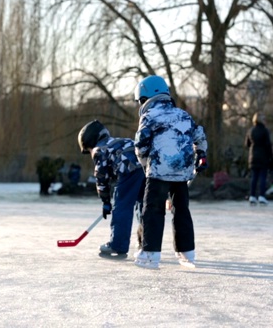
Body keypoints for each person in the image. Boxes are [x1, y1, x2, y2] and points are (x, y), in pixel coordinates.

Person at [133, 75, 208, 269]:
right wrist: (201, 154)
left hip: (158, 170)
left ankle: (150, 254)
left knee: (153, 210)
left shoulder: (149, 117)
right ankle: (187, 253)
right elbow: (199, 135)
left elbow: (140, 145)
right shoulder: (183, 114)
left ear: (144, 98)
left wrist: (145, 165)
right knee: (181, 210)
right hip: (182, 171)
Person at [78, 120, 145, 256]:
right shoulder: (118, 141)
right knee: (143, 205)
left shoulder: (99, 150)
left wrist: (106, 202)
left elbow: (101, 178)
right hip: (146, 168)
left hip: (128, 170)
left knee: (121, 206)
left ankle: (118, 245)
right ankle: (146, 244)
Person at [245, 112, 273, 205]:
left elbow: (247, 144)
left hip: (253, 156)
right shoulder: (265, 131)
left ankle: (252, 196)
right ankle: (262, 196)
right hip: (263, 156)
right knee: (262, 177)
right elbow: (268, 145)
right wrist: (271, 157)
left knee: (254, 177)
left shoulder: (250, 130)